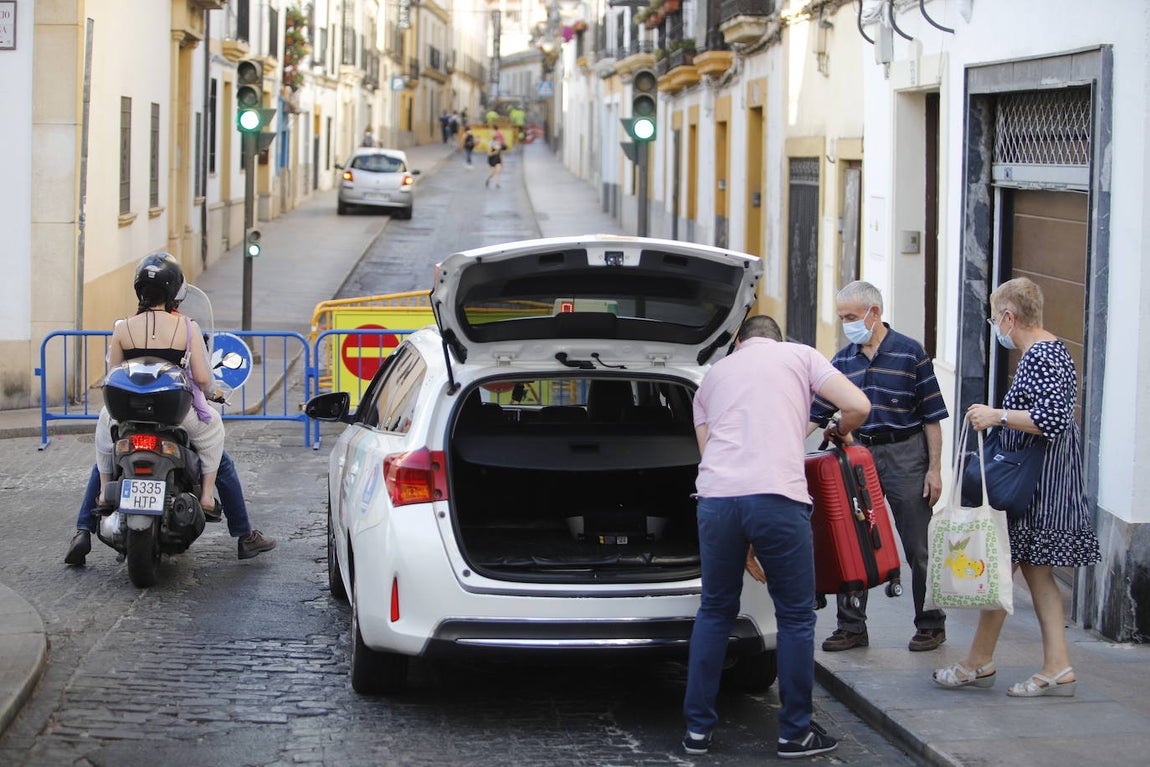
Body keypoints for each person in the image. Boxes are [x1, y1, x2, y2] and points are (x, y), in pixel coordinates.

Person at [684, 315, 871, 759]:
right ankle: (794, 733)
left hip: (717, 500)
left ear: (739, 343)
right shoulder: (800, 356)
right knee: (794, 617)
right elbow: (859, 405)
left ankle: (696, 731)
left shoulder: (712, 377)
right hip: (777, 498)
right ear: (778, 340)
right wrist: (839, 431)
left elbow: (710, 452)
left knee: (714, 611)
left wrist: (744, 535)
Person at [933, 277, 1101, 696]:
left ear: (1009, 316)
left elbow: (1052, 419)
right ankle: (1052, 665)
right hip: (1041, 482)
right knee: (1029, 573)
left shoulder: (1042, 355)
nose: (995, 326)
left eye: (994, 318)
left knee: (1002, 568)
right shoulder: (1051, 350)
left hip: (1036, 488)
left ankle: (980, 661)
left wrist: (997, 416)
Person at [809, 280, 949, 653]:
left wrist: (934, 469)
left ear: (875, 313)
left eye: (851, 316)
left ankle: (931, 624)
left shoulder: (910, 353)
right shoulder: (841, 361)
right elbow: (817, 414)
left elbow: (932, 417)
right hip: (857, 457)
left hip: (906, 454)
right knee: (850, 541)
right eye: (841, 318)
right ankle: (852, 627)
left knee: (917, 545)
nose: (846, 325)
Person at [65, 452, 276, 564]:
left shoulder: (122, 370)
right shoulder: (180, 369)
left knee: (104, 462)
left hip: (127, 418)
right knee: (222, 461)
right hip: (174, 418)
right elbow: (202, 380)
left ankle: (83, 531)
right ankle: (244, 535)